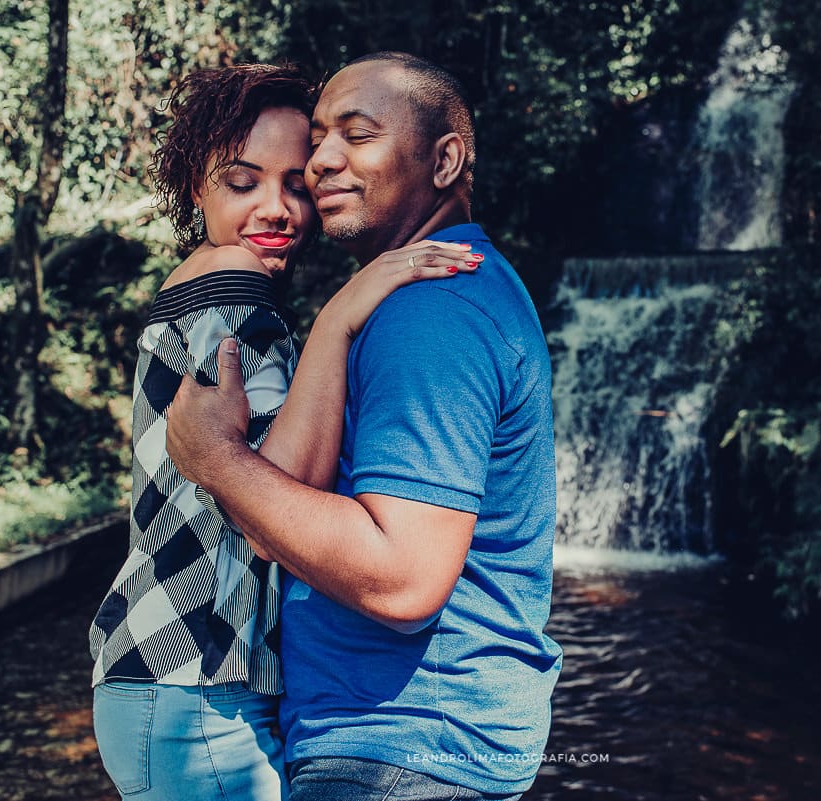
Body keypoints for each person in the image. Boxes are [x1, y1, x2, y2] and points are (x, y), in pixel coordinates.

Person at [165, 52, 562, 801]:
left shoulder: (430, 310)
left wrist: (218, 459)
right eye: (319, 138)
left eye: (357, 134)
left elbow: (404, 575)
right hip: (406, 746)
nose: (320, 161)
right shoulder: (428, 293)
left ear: (444, 159)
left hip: (402, 754)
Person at [88, 62, 479, 801]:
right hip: (198, 688)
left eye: (296, 183)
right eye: (243, 182)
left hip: (169, 680)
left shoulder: (204, 282)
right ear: (194, 186)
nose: (277, 208)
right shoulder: (234, 280)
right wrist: (338, 318)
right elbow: (272, 499)